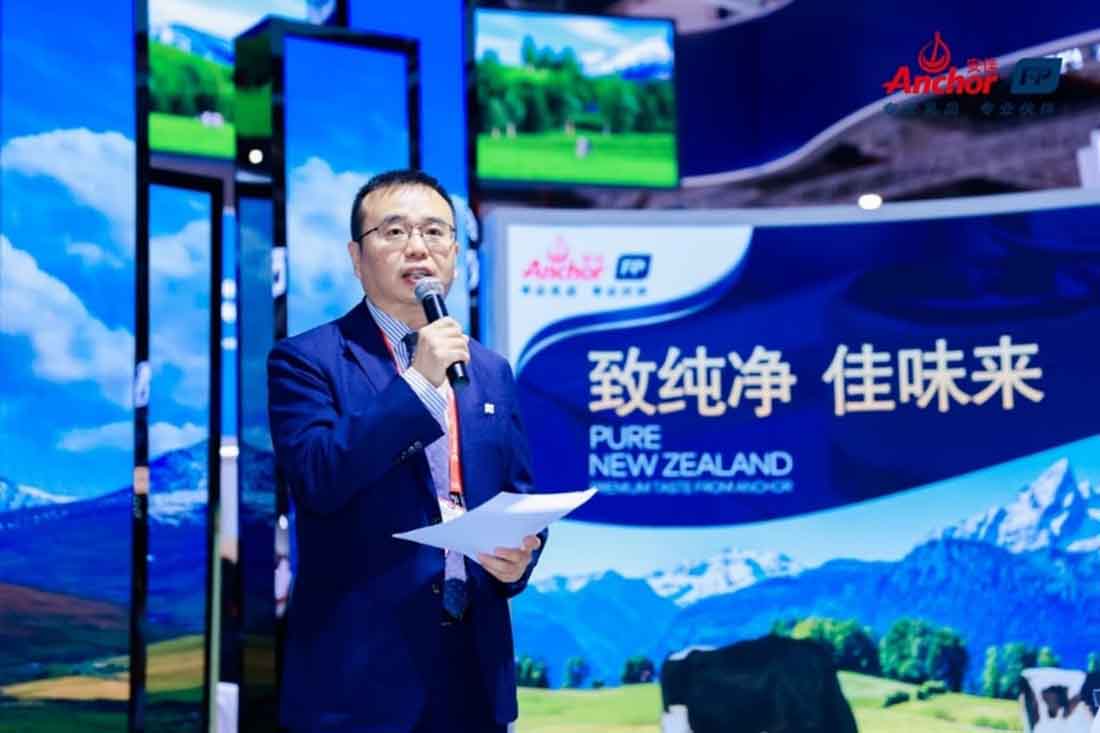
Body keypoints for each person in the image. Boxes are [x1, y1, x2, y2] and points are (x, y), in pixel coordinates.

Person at [267, 169, 546, 732]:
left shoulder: (490, 371)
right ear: (356, 256)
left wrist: (520, 559)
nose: (418, 247)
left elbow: (517, 496)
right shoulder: (306, 361)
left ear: (456, 255)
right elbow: (320, 478)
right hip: (360, 682)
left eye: (435, 232)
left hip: (474, 671)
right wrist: (418, 382)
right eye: (394, 232)